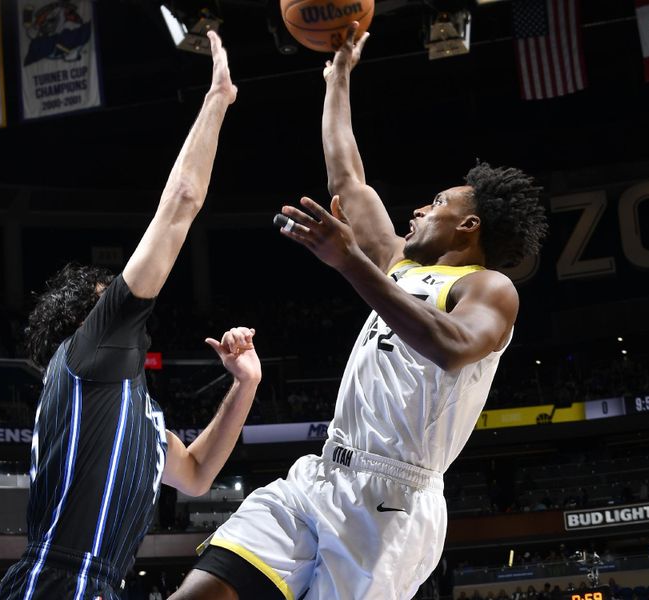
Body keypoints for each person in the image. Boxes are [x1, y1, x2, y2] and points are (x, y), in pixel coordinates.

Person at [170, 22, 547, 600]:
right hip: (321, 475)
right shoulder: (396, 261)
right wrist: (337, 77)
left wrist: (350, 262)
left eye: (438, 203)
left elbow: (449, 347)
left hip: (392, 504)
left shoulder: (489, 287)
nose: (420, 207)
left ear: (469, 227)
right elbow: (347, 175)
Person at [0, 31, 257, 600]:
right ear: (90, 315)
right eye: (108, 292)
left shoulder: (131, 409)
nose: (125, 296)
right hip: (57, 582)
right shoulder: (87, 355)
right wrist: (217, 100)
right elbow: (181, 203)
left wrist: (245, 384)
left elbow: (195, 475)